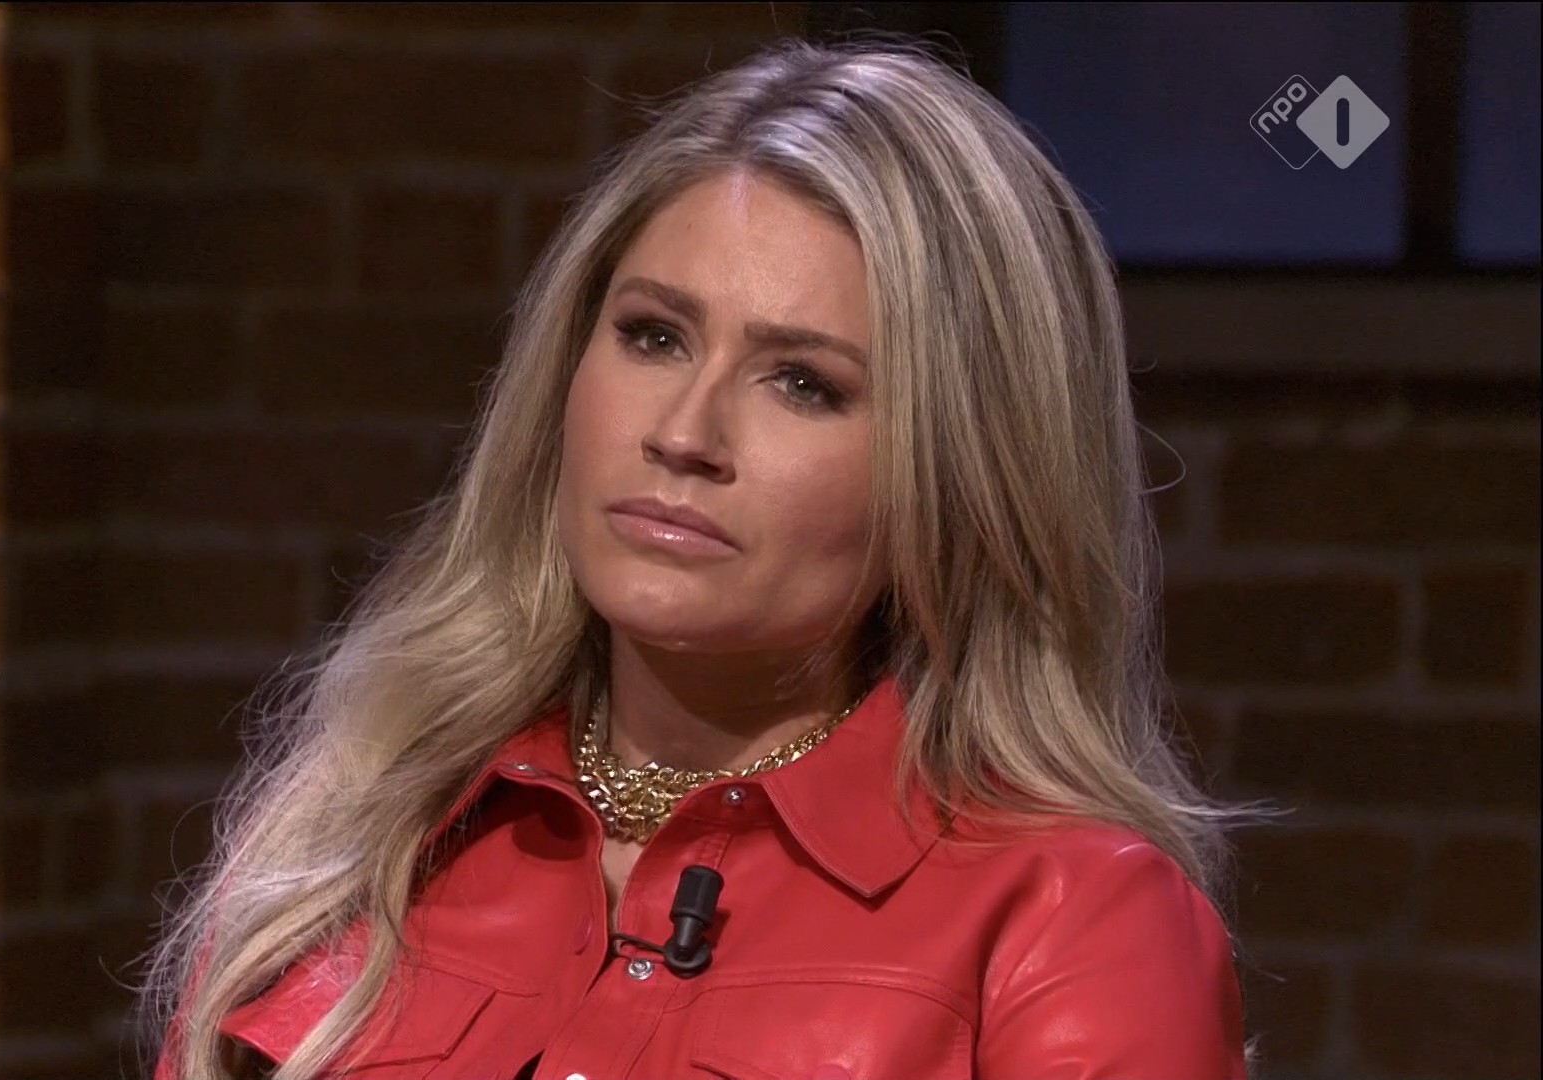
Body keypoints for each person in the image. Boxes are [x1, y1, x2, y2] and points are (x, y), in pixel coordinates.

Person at [141, 35, 1267, 1080]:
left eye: (804, 384)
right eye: (653, 335)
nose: (684, 432)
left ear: (960, 468)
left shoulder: (1071, 920)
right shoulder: (361, 831)